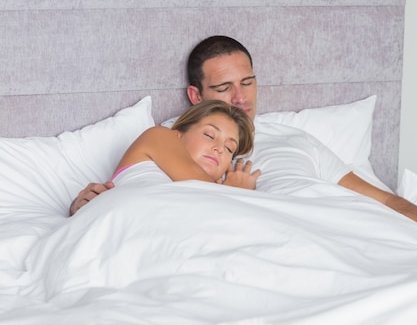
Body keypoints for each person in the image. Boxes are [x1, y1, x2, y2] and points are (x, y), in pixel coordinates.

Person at [70, 35, 417, 223]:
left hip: (325, 225)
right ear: (196, 95)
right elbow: (123, 191)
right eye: (223, 89)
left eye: (247, 82)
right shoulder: (171, 137)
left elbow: (384, 199)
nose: (240, 98)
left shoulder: (295, 138)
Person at [109, 99, 258, 190]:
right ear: (177, 135)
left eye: (229, 148)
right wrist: (237, 192)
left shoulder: (218, 195)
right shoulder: (159, 135)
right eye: (209, 135)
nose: (219, 149)